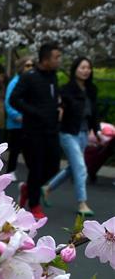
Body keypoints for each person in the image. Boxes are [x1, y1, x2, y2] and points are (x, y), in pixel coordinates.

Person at [10, 41, 63, 219]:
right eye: (56, 57)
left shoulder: (53, 76)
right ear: (46, 59)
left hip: (51, 129)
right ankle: (34, 203)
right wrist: (34, 112)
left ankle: (28, 188)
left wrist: (59, 107)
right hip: (33, 131)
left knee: (54, 166)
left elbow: (53, 97)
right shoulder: (29, 76)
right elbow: (14, 99)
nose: (59, 61)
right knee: (37, 167)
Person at [43, 56, 100, 217]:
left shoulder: (91, 89)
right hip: (68, 133)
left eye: (88, 68)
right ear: (75, 69)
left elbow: (94, 113)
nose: (86, 71)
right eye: (82, 67)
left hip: (83, 133)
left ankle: (47, 188)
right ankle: (82, 203)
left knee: (73, 167)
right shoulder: (67, 89)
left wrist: (97, 131)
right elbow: (61, 107)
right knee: (81, 167)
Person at [4, 57, 34, 174]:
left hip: (28, 122)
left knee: (28, 148)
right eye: (27, 65)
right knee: (15, 149)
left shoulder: (31, 82)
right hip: (16, 123)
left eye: (32, 65)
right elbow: (8, 102)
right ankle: (10, 171)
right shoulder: (15, 82)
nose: (30, 68)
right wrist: (16, 116)